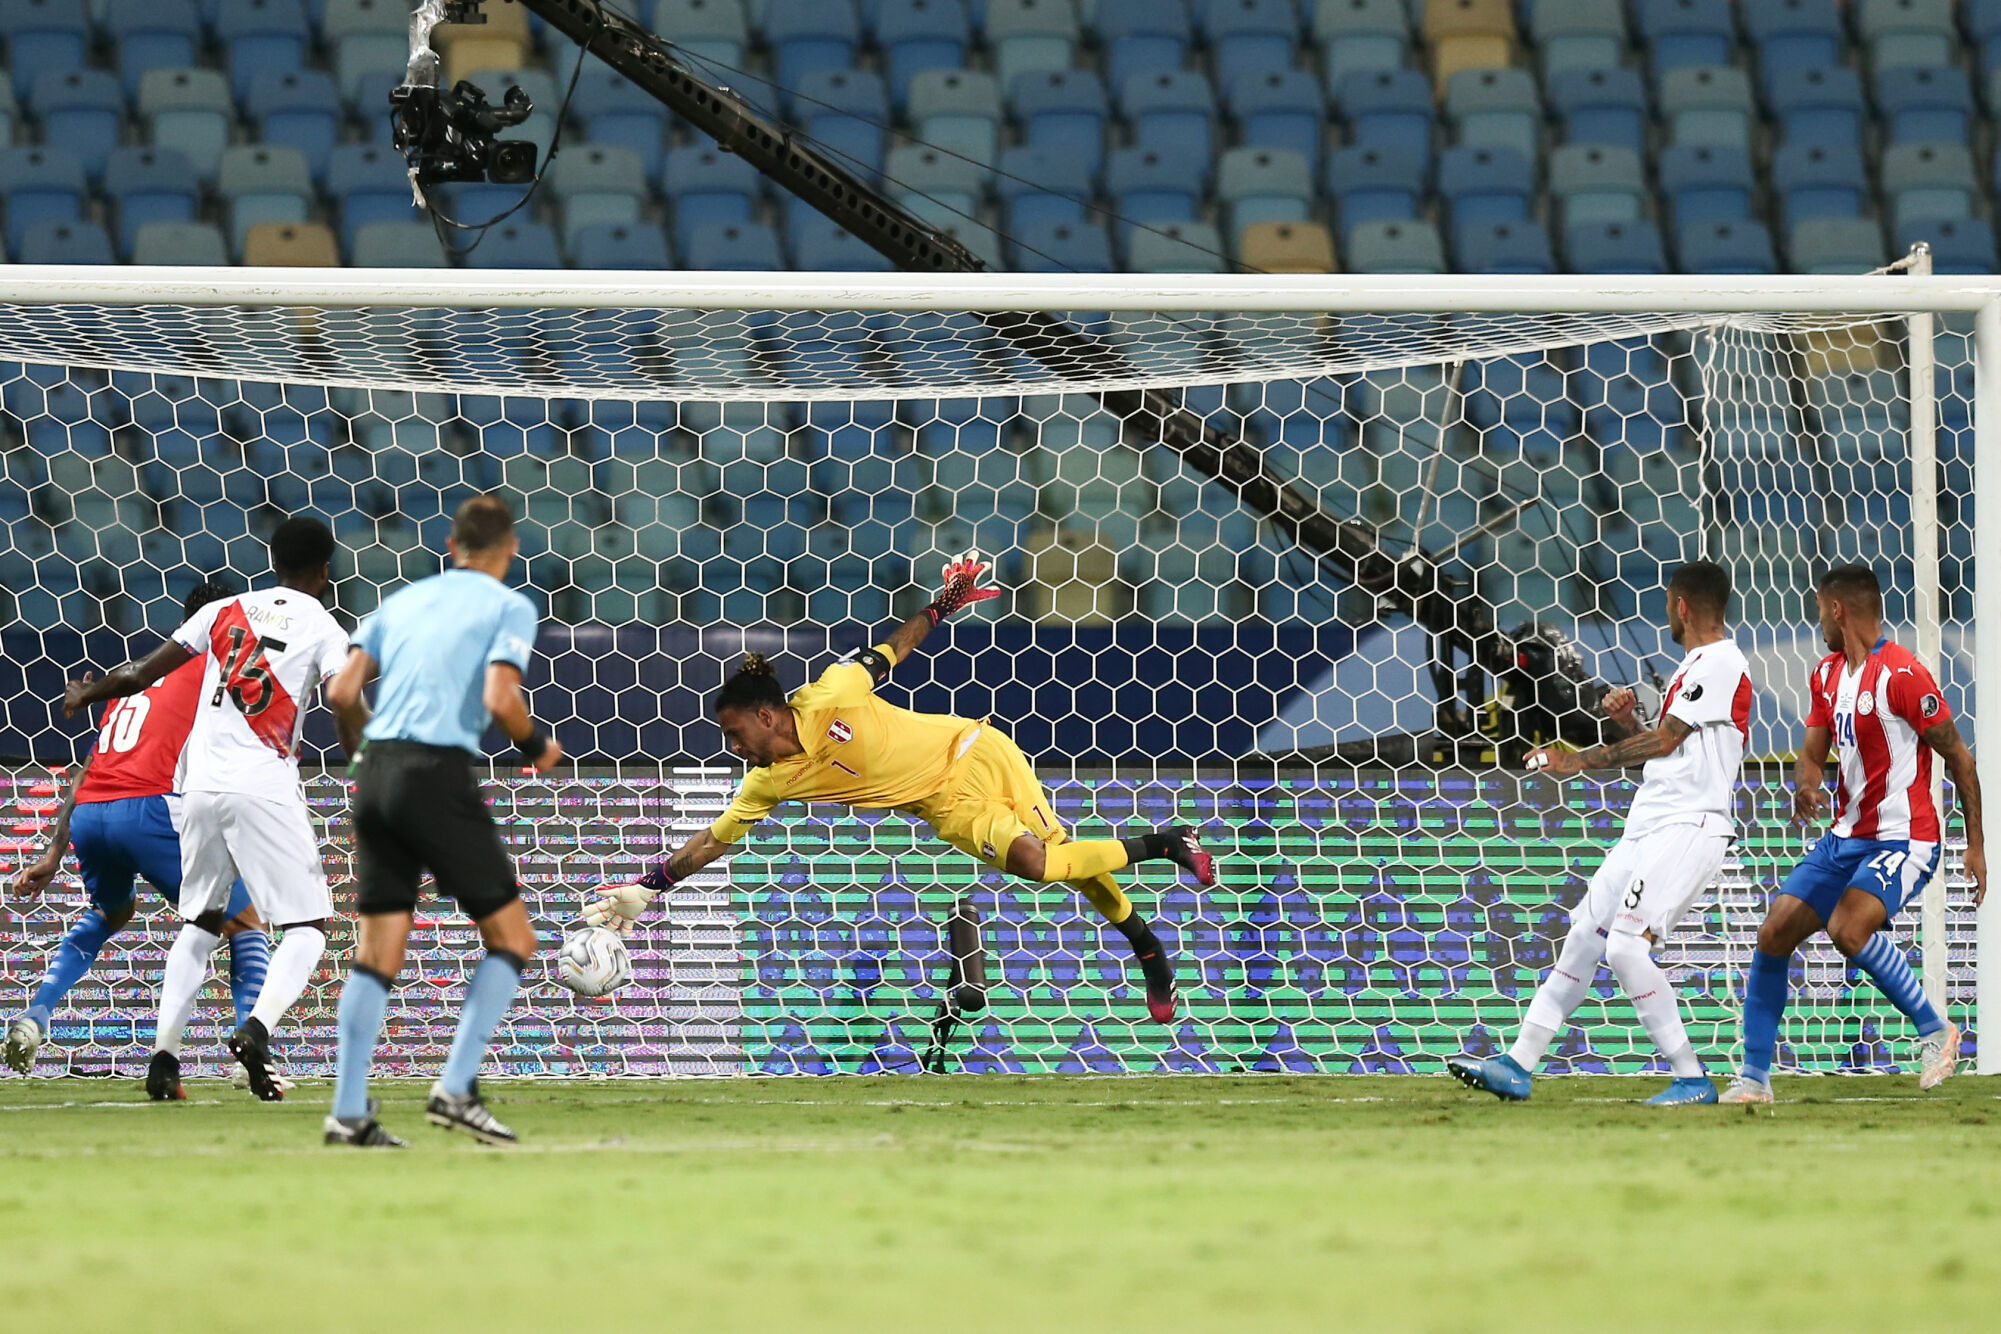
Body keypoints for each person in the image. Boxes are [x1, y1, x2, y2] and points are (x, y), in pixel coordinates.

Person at [584, 550, 1215, 1022]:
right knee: (1046, 865)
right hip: (943, 804)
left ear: (767, 715)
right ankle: (1152, 931)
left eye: (733, 730)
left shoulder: (830, 694)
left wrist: (943, 604)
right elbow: (714, 842)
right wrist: (649, 887)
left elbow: (891, 650)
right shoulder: (768, 783)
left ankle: (1162, 868)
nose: (731, 744)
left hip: (973, 752)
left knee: (1057, 862)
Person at [64, 516, 358, 1102]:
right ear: (325, 571)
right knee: (308, 928)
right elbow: (341, 695)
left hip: (197, 788)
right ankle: (256, 1029)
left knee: (199, 922)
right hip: (263, 786)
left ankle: (163, 1061)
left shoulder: (222, 611)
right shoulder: (325, 626)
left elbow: (142, 673)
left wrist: (86, 693)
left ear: (273, 561)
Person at [1448, 561, 1752, 1105]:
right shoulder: (1693, 668)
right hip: (1649, 822)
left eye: (1667, 603)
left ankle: (1691, 1076)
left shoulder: (1723, 662)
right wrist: (1628, 723)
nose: (1666, 612)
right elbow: (1666, 752)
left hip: (1689, 824)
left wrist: (1578, 759)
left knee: (1627, 950)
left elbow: (1664, 743)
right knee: (1584, 939)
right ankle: (1518, 1064)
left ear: (1682, 604)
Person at [320, 495, 560, 1148]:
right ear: (509, 553)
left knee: (375, 953)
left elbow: (340, 693)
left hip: (372, 774)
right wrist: (536, 748)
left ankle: (348, 1112)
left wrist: (379, 752)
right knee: (513, 940)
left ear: (450, 550)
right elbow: (498, 698)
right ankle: (455, 1089)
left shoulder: (397, 602)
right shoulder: (509, 605)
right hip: (435, 772)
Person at [1721, 564, 1987, 1103]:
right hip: (1845, 836)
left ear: (1837, 609)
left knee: (1847, 928)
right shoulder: (1825, 675)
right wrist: (1807, 785)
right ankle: (1754, 1079)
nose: (1818, 619)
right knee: (1774, 933)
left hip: (1905, 838)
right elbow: (1812, 755)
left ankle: (1936, 1029)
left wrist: (1975, 844)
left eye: (1821, 609)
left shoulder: (1904, 676)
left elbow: (1960, 757)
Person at [5, 580, 270, 1095]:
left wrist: (52, 855)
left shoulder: (134, 679)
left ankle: (36, 1014)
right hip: (148, 809)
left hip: (90, 816)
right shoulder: (212, 668)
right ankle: (251, 1057)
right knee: (247, 920)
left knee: (110, 912)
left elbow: (86, 772)